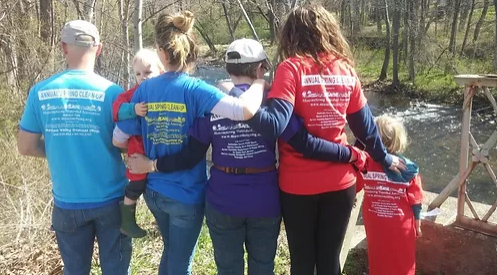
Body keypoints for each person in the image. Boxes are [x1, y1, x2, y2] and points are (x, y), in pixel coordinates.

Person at [126, 38, 369, 275]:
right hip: (265, 200)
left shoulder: (212, 101)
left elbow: (190, 155)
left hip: (223, 200)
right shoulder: (276, 103)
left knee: (229, 269)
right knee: (262, 268)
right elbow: (303, 142)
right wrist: (348, 153)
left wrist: (152, 165)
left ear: (228, 69)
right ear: (259, 68)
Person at [239, 4, 406, 275]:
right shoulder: (345, 70)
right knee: (330, 262)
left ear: (290, 35)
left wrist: (246, 101)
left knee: (302, 263)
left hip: (297, 186)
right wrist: (384, 158)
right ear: (329, 32)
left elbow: (282, 127)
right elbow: (365, 127)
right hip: (340, 185)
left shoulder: (290, 69)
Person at [111, 11, 266, 275]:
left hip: (154, 192)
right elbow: (244, 111)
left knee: (171, 252)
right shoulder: (196, 89)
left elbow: (118, 137)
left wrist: (138, 150)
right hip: (185, 194)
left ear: (161, 52)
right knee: (180, 262)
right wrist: (260, 82)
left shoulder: (144, 90)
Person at [17, 20, 131, 275]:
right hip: (112, 200)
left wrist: (61, 145)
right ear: (98, 49)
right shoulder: (113, 92)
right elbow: (126, 145)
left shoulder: (40, 92)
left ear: (63, 47)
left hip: (67, 203)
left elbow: (25, 146)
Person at [356, 115, 423, 275]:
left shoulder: (365, 163)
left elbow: (356, 186)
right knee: (402, 260)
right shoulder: (408, 169)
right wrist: (418, 224)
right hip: (401, 225)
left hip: (375, 222)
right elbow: (416, 200)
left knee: (378, 258)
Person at [112, 48, 165, 238]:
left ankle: (161, 225)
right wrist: (133, 109)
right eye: (138, 74)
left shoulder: (166, 90)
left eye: (148, 72)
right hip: (138, 148)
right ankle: (127, 221)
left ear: (161, 70)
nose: (143, 77)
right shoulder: (133, 93)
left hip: (159, 148)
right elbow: (117, 109)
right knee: (136, 184)